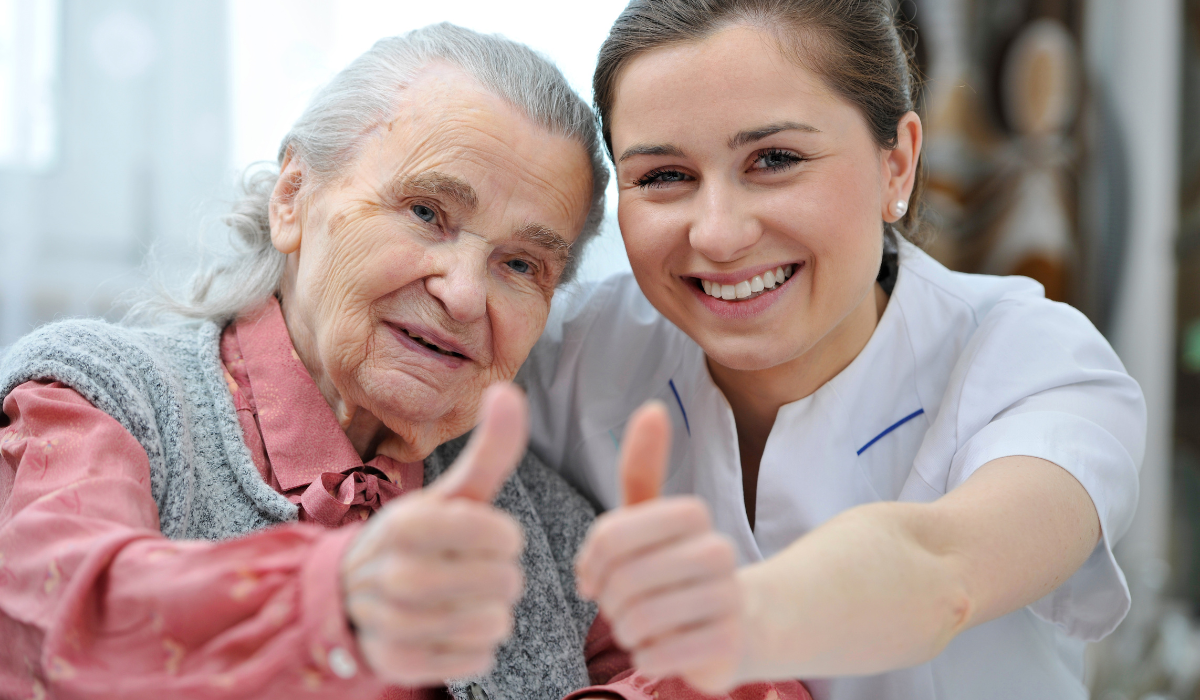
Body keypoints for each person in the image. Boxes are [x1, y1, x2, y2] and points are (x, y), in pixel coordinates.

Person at [520, 2, 1145, 699]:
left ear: (897, 166)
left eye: (776, 160)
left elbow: (944, 569)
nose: (718, 236)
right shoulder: (568, 355)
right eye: (664, 175)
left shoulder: (1035, 362)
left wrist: (727, 622)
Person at [0, 23, 612, 700]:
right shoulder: (97, 399)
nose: (465, 295)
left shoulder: (557, 530)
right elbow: (57, 631)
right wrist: (335, 599)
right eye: (426, 212)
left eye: (522, 263)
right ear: (292, 196)